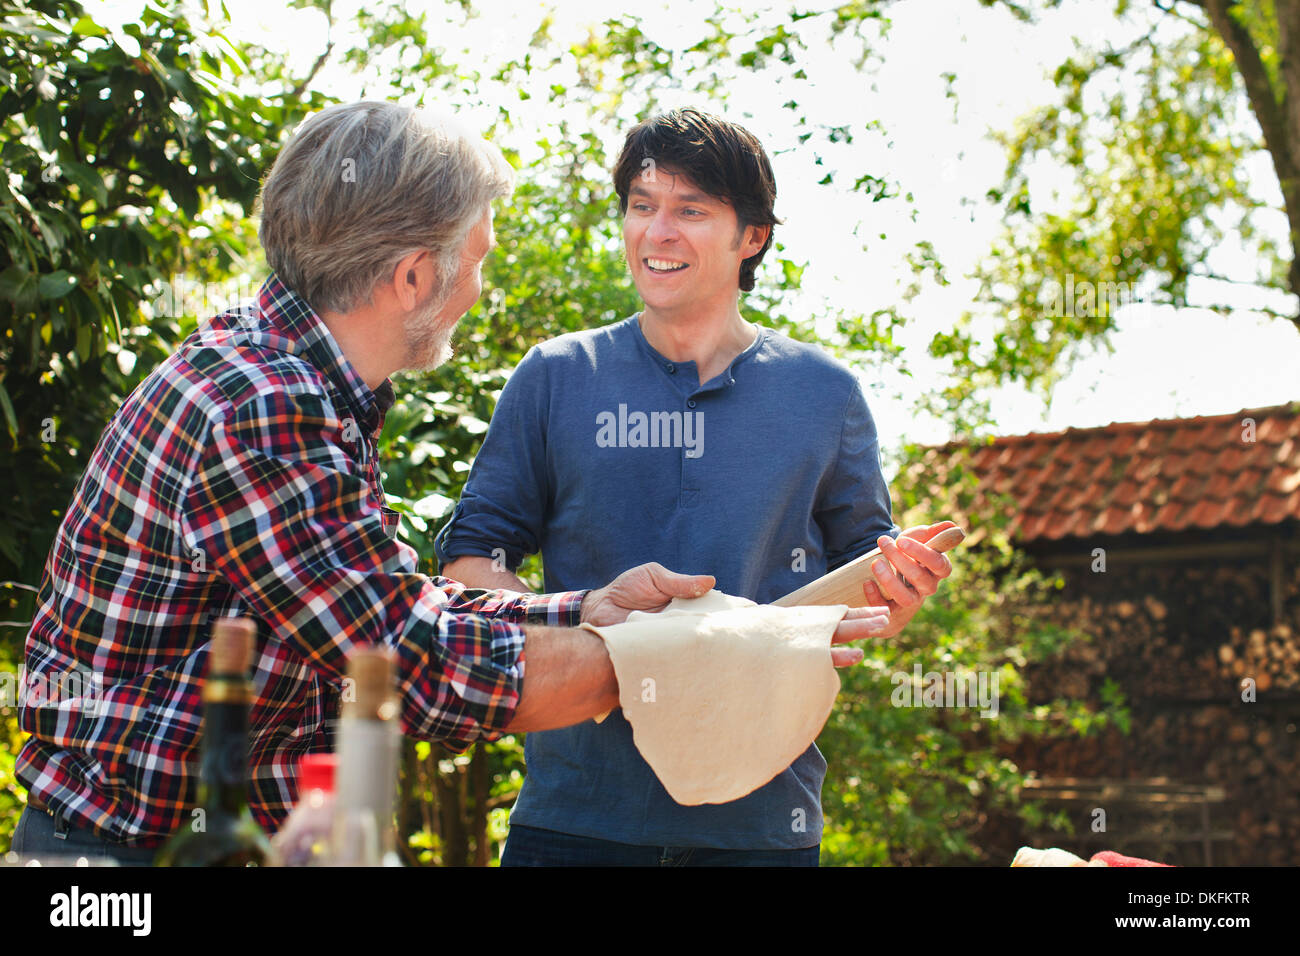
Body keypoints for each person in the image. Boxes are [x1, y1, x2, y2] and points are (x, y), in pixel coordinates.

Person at [11, 101, 887, 865]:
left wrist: (584, 611)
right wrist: (685, 655)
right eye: (476, 260)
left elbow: (389, 610)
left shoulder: (283, 379)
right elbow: (410, 663)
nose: (479, 284)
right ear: (414, 277)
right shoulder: (264, 408)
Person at [437, 107, 955, 867]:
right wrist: (585, 631)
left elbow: (861, 590)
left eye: (691, 211)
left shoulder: (826, 394)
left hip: (762, 827)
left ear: (753, 237)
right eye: (641, 207)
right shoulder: (554, 377)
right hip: (573, 820)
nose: (657, 233)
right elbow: (467, 567)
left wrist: (897, 593)